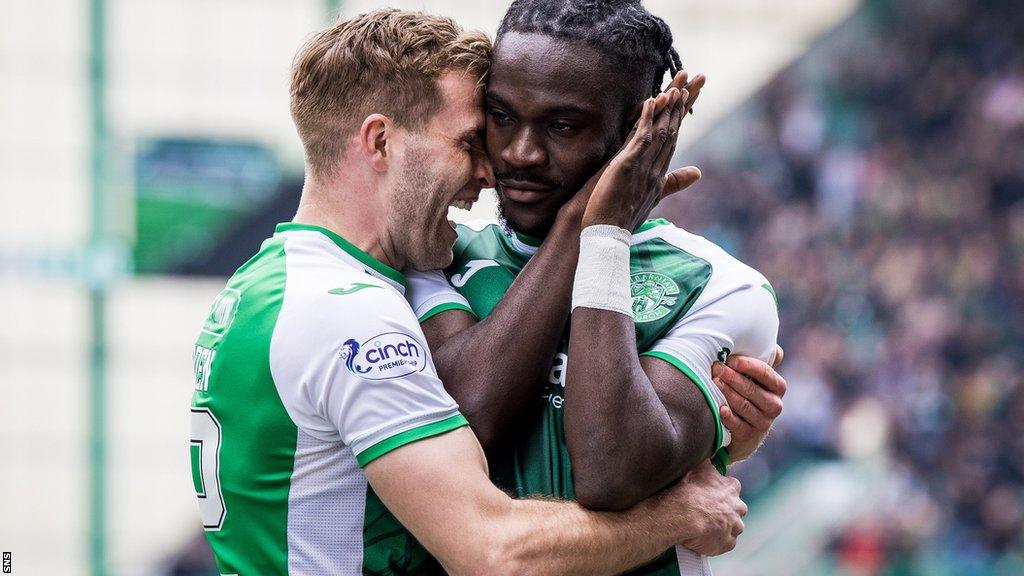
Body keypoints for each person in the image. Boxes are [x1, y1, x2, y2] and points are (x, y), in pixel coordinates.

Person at [188, 9, 747, 576]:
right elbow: (494, 551)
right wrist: (674, 516)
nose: (492, 170)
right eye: (468, 140)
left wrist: (717, 428)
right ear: (381, 142)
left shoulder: (265, 287)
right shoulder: (350, 316)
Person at [404, 1, 788, 574]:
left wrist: (604, 240)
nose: (520, 153)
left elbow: (613, 469)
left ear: (637, 131)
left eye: (561, 126)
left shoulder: (722, 287)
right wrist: (578, 226)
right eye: (502, 116)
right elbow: (467, 417)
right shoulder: (435, 254)